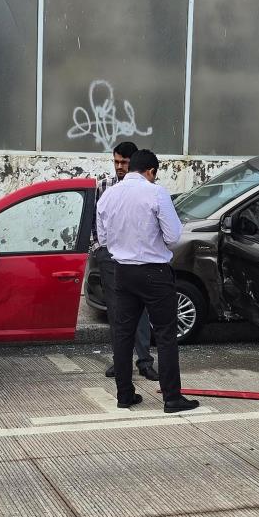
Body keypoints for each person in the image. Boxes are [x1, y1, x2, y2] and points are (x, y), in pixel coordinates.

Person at [96, 149, 198, 413]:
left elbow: (104, 239)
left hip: (122, 272)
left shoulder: (109, 194)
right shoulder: (156, 192)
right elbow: (174, 235)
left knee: (123, 334)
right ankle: (172, 398)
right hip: (154, 272)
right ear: (151, 171)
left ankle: (124, 395)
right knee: (165, 335)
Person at [91, 141, 158, 383]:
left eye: (124, 163)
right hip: (111, 256)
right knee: (117, 311)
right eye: (116, 162)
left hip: (138, 257)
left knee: (140, 309)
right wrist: (99, 250)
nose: (119, 167)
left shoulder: (148, 188)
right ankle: (121, 361)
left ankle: (144, 361)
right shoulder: (104, 187)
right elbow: (93, 223)